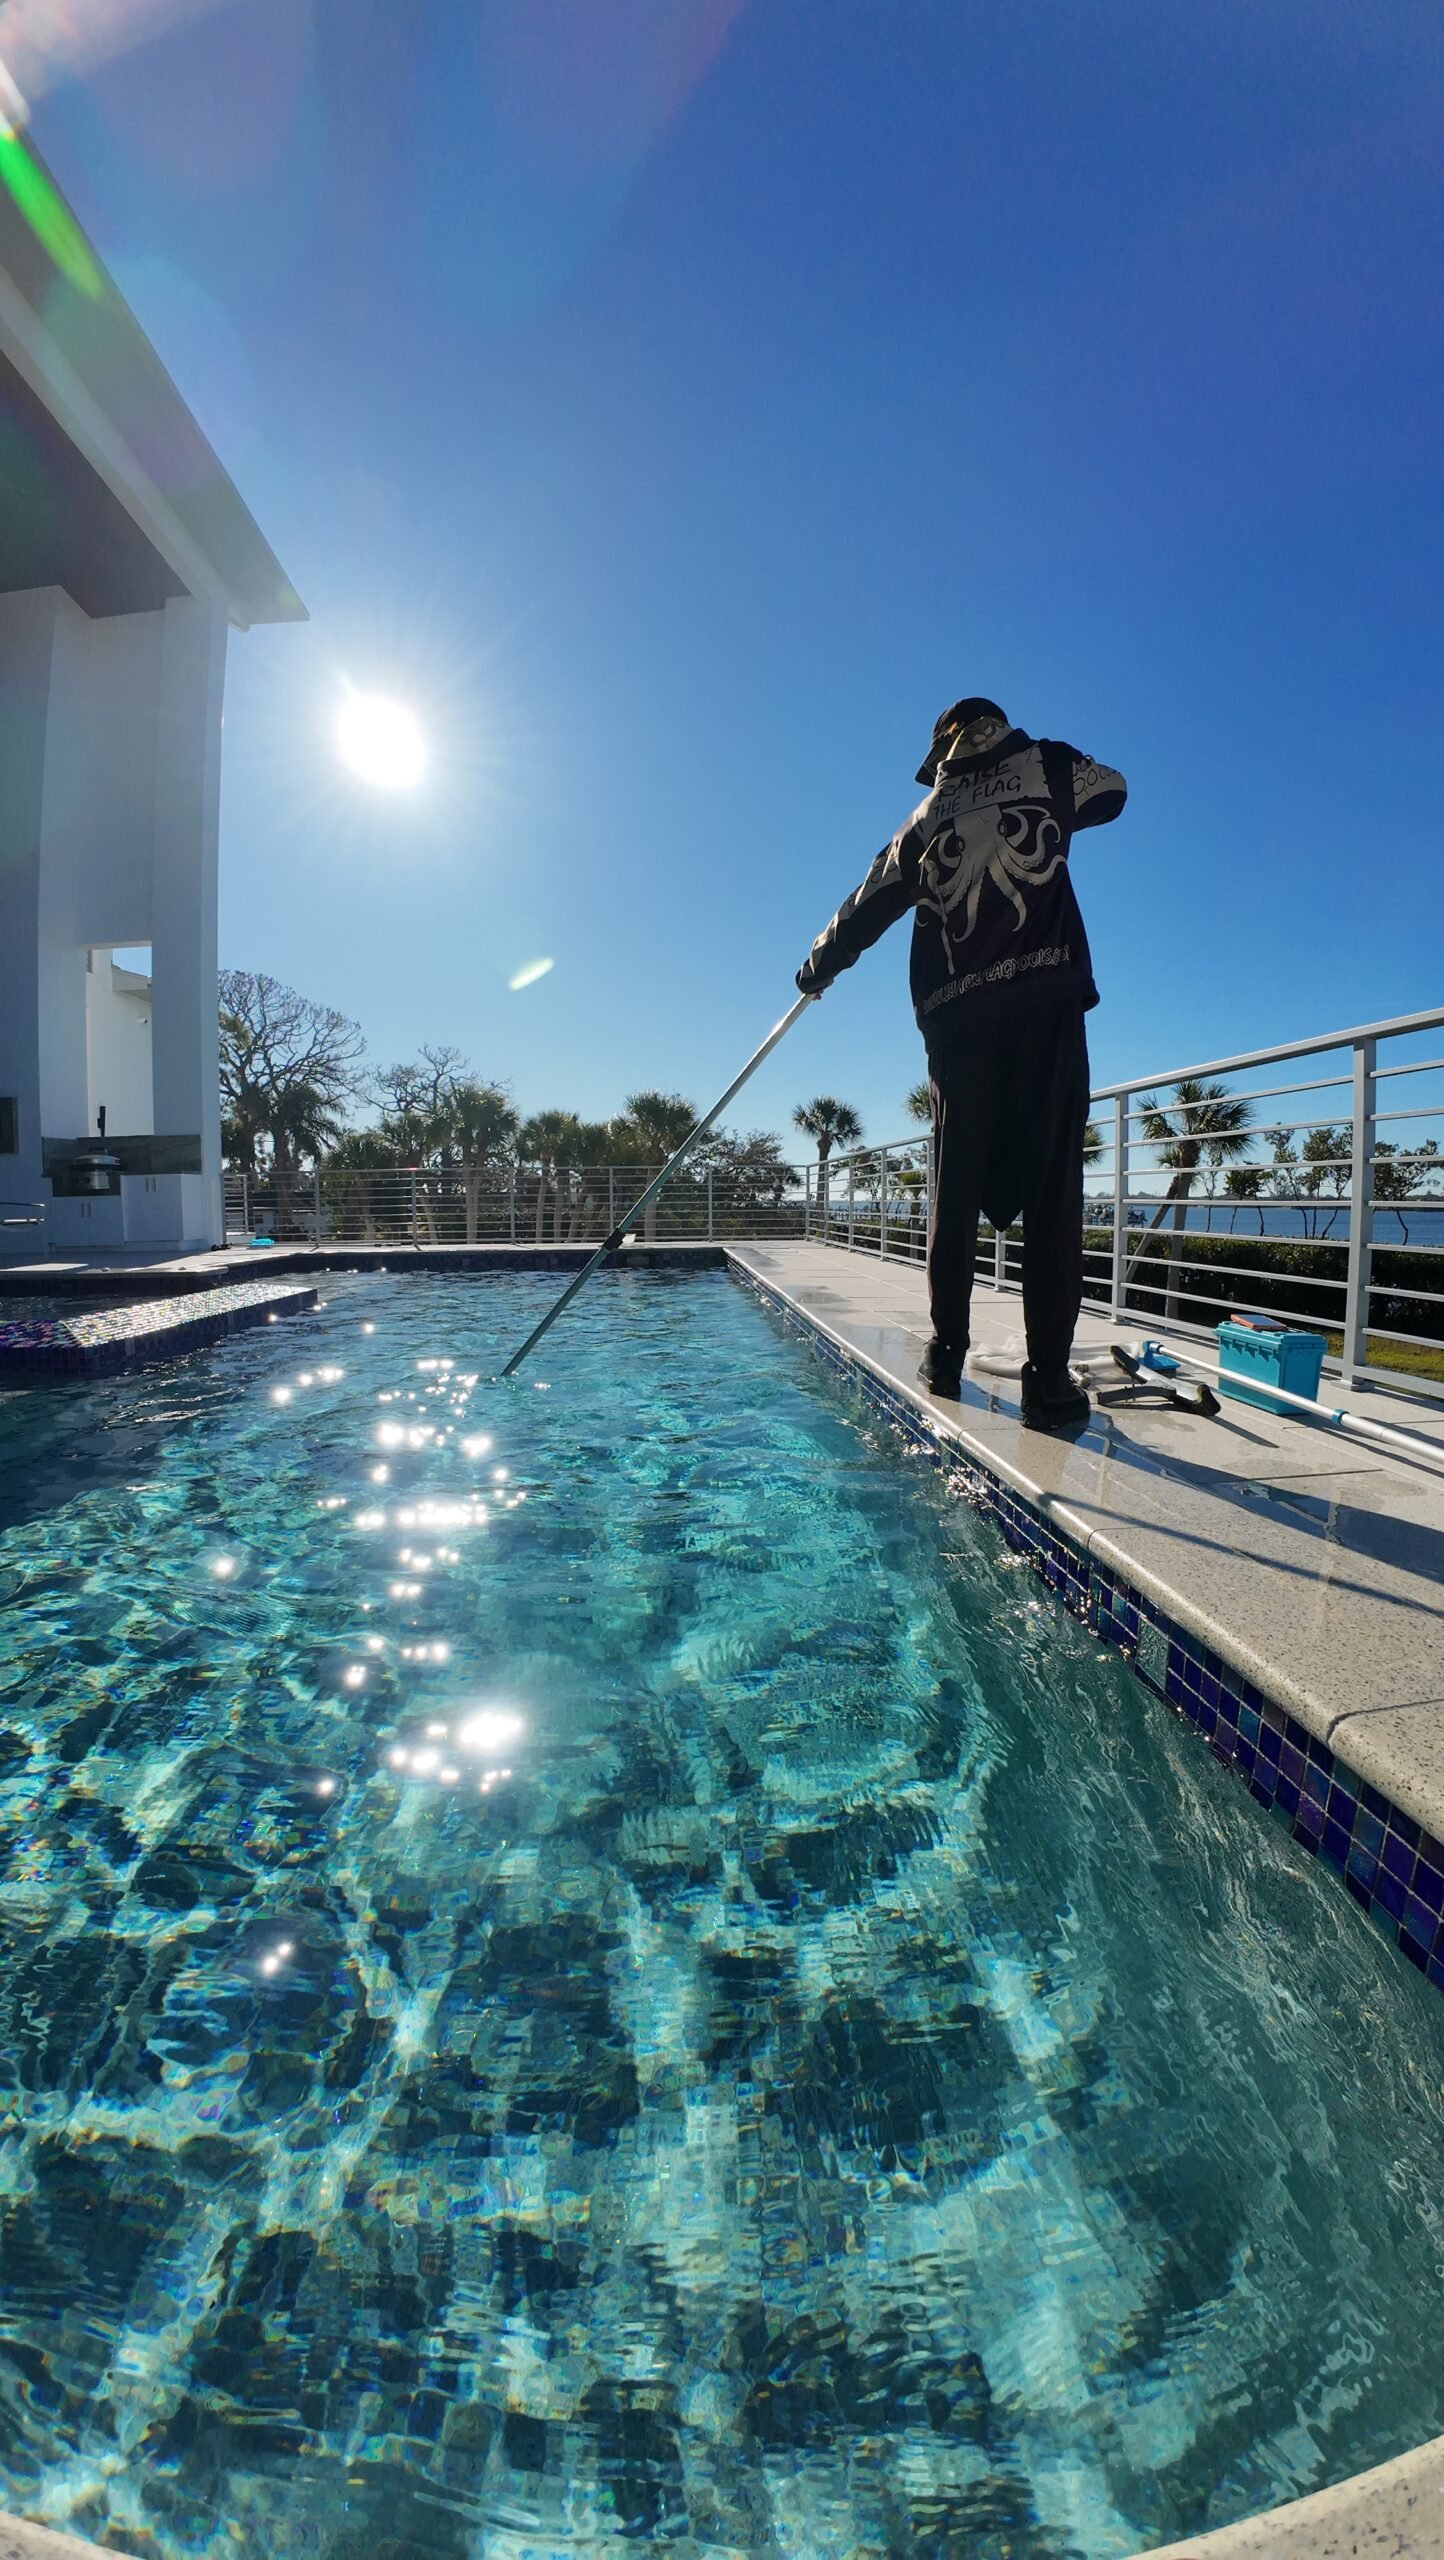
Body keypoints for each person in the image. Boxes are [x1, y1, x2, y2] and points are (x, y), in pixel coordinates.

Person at [795, 695, 1127, 1429]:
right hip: (1046, 1013)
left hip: (960, 1025)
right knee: (1052, 1198)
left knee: (953, 1193)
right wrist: (1035, 763)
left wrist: (818, 966)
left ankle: (945, 1356)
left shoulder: (922, 821)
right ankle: (1048, 1380)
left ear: (939, 752)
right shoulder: (1050, 765)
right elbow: (1113, 791)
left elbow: (864, 905)